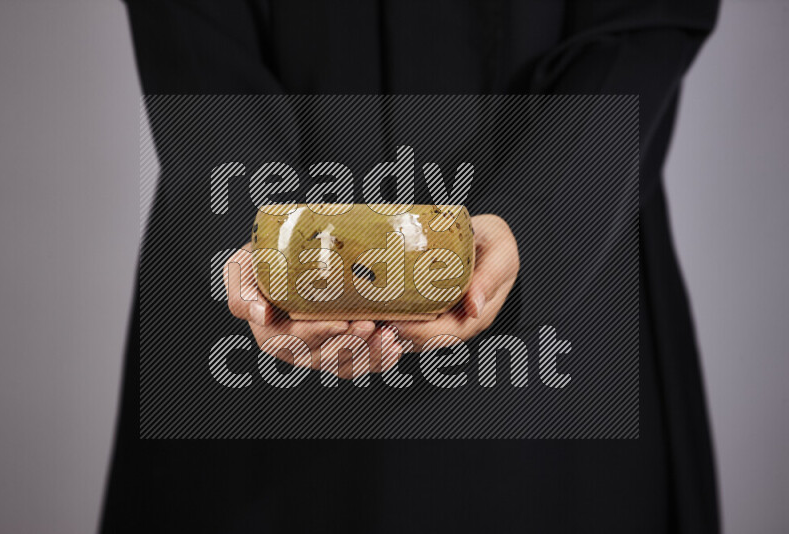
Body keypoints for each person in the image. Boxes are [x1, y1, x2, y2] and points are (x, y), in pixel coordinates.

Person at [102, 0, 720, 532]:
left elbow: (645, 18)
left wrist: (536, 217)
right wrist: (261, 238)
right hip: (250, 347)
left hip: (570, 273)